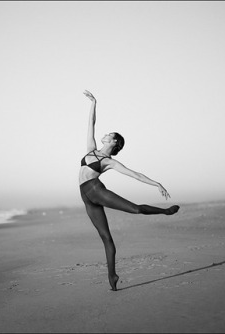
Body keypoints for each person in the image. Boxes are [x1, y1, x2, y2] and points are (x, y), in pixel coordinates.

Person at [79, 90, 180, 291]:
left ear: (114, 142)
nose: (105, 135)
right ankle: (112, 276)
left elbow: (135, 175)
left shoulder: (109, 162)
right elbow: (91, 123)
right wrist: (94, 103)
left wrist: (156, 183)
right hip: (86, 196)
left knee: (135, 209)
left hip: (96, 190)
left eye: (110, 135)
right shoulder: (91, 150)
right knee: (105, 237)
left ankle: (165, 211)